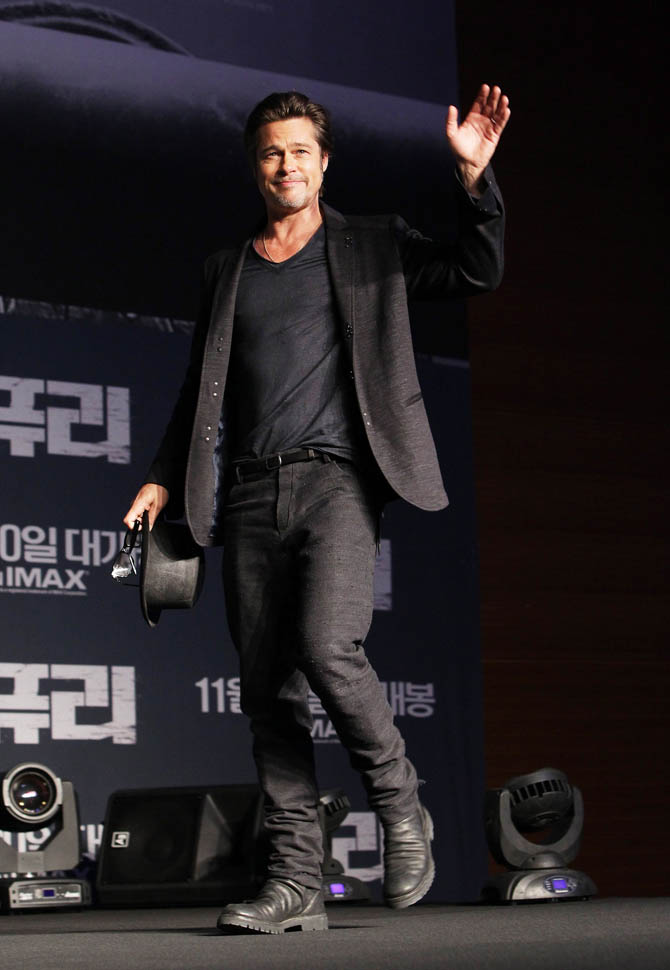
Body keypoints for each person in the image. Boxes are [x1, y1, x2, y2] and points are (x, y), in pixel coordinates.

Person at [123, 84, 509, 934]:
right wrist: (160, 475)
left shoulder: (371, 245)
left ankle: (400, 802)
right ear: (254, 167)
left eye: (301, 150)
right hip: (248, 492)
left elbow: (475, 271)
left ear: (324, 163)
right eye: (271, 152)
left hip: (336, 482)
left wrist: (474, 183)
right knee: (267, 694)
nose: (286, 164)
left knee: (328, 646)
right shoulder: (227, 269)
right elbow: (200, 388)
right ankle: (295, 880)